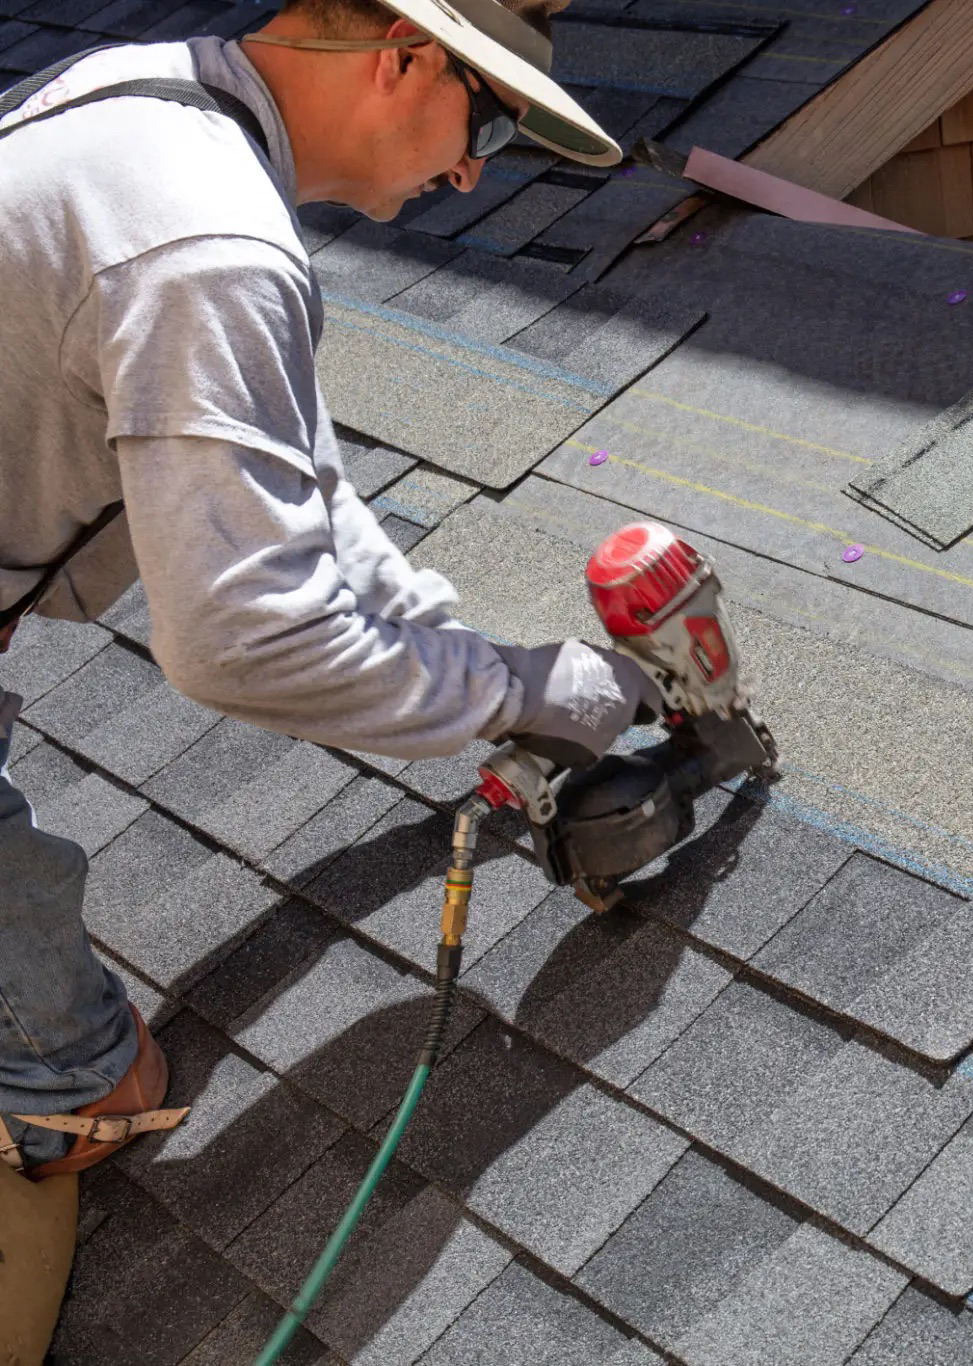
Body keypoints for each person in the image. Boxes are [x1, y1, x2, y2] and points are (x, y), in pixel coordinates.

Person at [0, 0, 652, 1178]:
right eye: (492, 129)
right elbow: (245, 635)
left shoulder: (143, 94)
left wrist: (456, 654)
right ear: (404, 56)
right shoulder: (208, 246)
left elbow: (289, 487)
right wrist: (507, 689)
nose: (466, 177)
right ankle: (52, 1113)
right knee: (91, 1087)